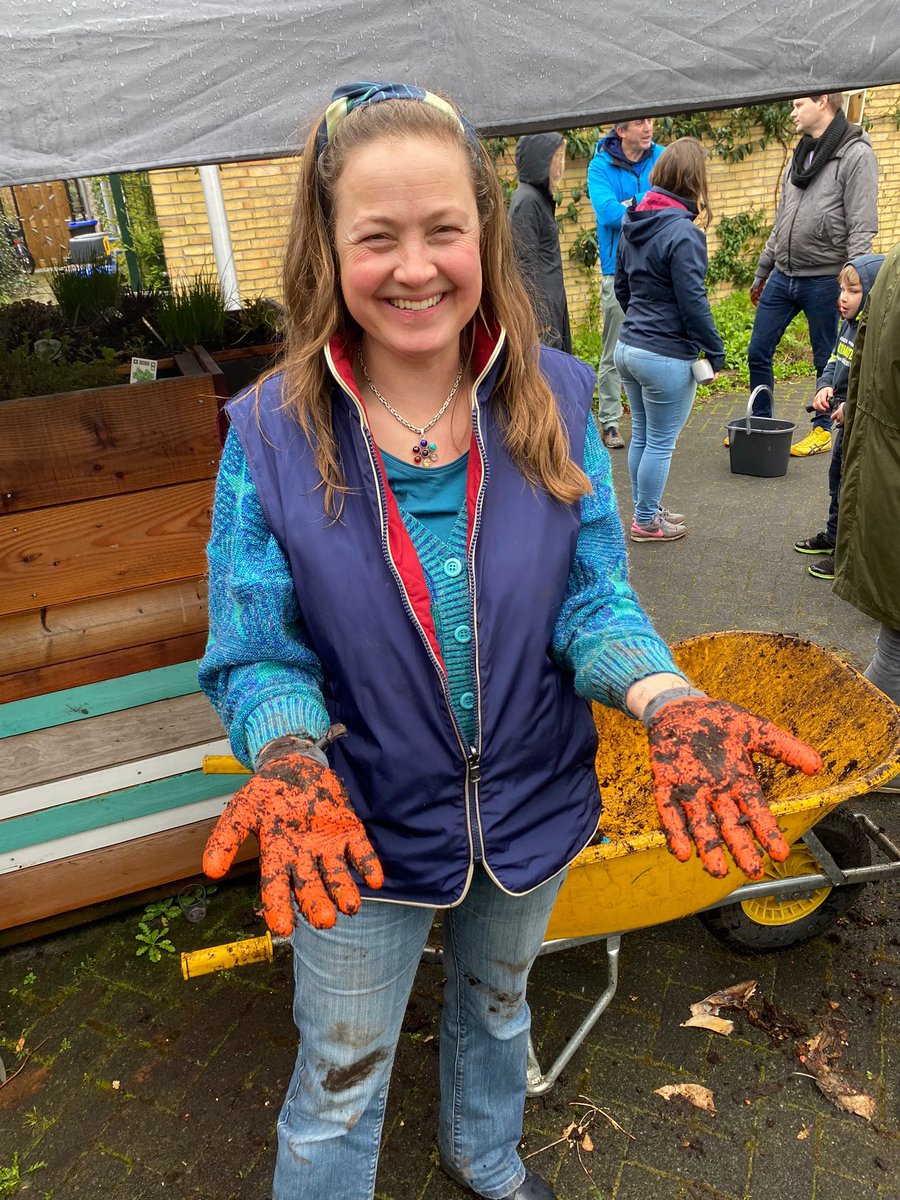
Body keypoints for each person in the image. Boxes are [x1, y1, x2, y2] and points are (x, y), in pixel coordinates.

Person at [197, 83, 822, 1200]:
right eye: (376, 236)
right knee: (338, 1076)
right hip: (355, 826)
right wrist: (288, 752)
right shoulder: (270, 437)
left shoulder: (558, 399)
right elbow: (256, 650)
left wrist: (668, 698)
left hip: (533, 796)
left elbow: (594, 602)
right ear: (326, 248)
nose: (416, 266)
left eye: (444, 229)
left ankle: (484, 1152)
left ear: (484, 233)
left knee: (498, 1003)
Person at [747, 93, 879, 457]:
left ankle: (822, 431)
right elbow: (783, 220)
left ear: (823, 102)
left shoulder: (855, 155)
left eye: (798, 104)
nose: (792, 111)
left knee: (828, 359)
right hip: (784, 273)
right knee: (758, 350)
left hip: (825, 278)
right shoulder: (801, 154)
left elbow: (862, 228)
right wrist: (763, 270)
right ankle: (761, 423)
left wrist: (856, 287)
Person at [613, 137, 725, 543]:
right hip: (664, 355)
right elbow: (692, 300)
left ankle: (647, 508)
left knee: (642, 435)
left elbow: (621, 289)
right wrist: (715, 350)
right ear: (694, 181)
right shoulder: (683, 233)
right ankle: (646, 521)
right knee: (660, 442)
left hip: (628, 348)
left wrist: (643, 323)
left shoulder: (634, 222)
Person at [833, 240, 900, 793]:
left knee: (895, 641)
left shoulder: (895, 263)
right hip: (890, 483)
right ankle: (853, 754)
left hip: (883, 479)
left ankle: (848, 745)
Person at [792, 253, 884, 580]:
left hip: (861, 423)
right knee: (837, 479)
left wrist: (851, 406)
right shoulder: (847, 325)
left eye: (854, 291)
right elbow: (834, 360)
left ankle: (845, 554)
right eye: (841, 289)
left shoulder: (875, 334)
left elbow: (874, 382)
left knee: (852, 488)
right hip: (842, 416)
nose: (843, 298)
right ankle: (833, 534)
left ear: (873, 291)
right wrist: (824, 386)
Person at [587, 116, 663, 450]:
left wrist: (630, 205)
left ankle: (650, 417)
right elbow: (607, 215)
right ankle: (611, 421)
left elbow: (675, 200)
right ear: (621, 131)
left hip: (658, 265)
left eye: (650, 120)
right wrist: (648, 202)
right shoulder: (600, 166)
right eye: (639, 122)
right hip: (616, 270)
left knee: (656, 342)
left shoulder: (661, 156)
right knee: (615, 349)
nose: (648, 127)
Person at [507, 132, 572, 352]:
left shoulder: (537, 198)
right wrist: (536, 316)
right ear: (541, 160)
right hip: (542, 319)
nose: (561, 165)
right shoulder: (527, 200)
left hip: (551, 306)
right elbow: (521, 261)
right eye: (557, 158)